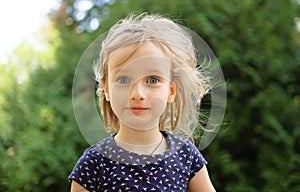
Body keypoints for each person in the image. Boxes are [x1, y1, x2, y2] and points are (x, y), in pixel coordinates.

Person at [69, 13, 216, 191]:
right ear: (106, 89)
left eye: (152, 80)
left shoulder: (187, 156)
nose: (137, 94)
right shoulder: (92, 165)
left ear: (171, 91)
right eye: (123, 80)